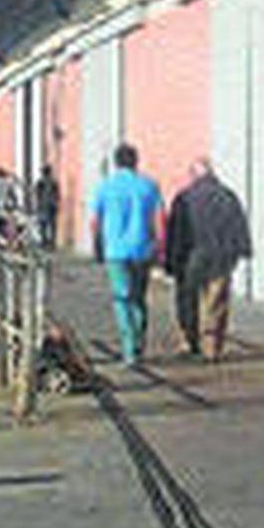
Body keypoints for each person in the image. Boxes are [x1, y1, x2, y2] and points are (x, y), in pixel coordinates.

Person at [164, 159, 251, 362]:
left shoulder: (183, 197)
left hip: (190, 258)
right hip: (220, 258)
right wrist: (242, 251)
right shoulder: (228, 196)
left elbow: (175, 232)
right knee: (216, 303)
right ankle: (211, 348)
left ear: (194, 175)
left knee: (187, 300)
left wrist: (170, 261)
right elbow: (239, 225)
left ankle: (189, 342)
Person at [90, 144, 164, 367]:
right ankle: (139, 343)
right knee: (139, 298)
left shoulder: (105, 187)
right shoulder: (149, 186)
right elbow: (160, 219)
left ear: (116, 162)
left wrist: (97, 246)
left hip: (115, 251)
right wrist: (160, 246)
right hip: (142, 249)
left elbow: (95, 221)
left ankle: (129, 349)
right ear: (136, 161)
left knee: (122, 298)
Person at [34, 164, 60, 249]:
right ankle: (52, 242)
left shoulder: (40, 182)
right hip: (52, 205)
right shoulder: (54, 181)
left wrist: (38, 205)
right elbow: (57, 195)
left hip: (43, 205)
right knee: (52, 225)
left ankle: (44, 241)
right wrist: (56, 203)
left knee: (43, 224)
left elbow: (37, 194)